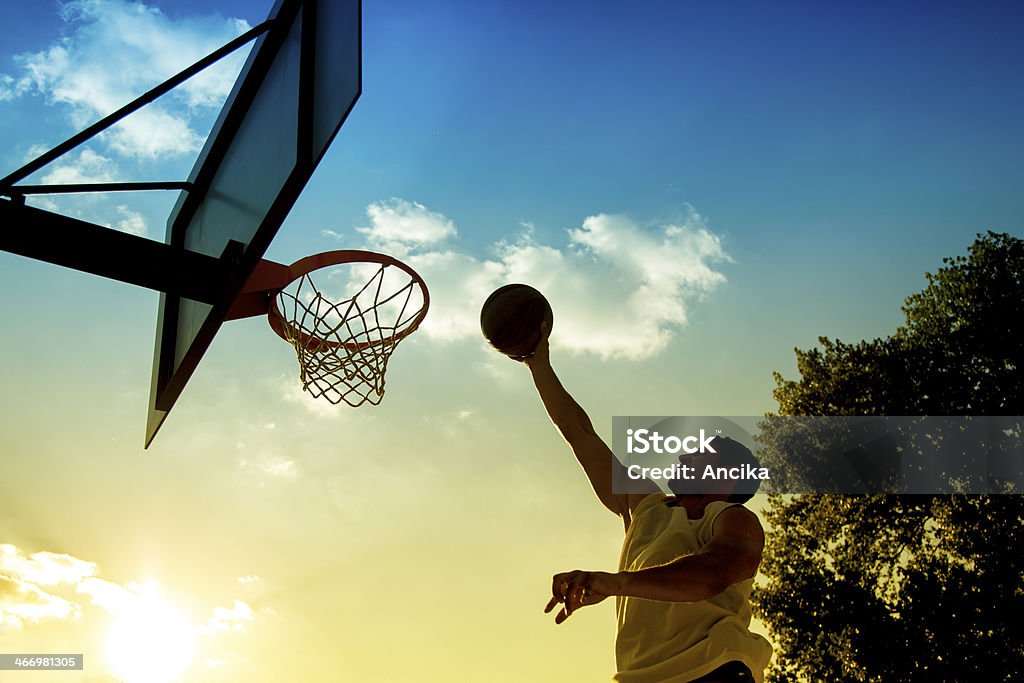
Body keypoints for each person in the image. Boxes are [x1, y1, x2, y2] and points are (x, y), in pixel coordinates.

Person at [522, 324, 773, 683]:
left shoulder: (733, 519)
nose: (686, 454)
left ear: (726, 477)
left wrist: (615, 583)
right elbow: (579, 433)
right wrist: (538, 363)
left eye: (702, 453)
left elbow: (713, 574)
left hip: (713, 668)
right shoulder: (646, 506)